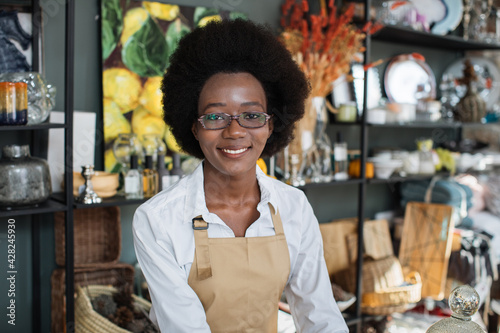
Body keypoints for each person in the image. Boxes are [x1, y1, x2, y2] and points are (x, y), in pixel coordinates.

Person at [133, 18, 348, 333]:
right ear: (194, 127)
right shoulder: (156, 220)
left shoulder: (294, 208)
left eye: (251, 115)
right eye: (215, 116)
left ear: (271, 125)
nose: (235, 132)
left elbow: (321, 316)